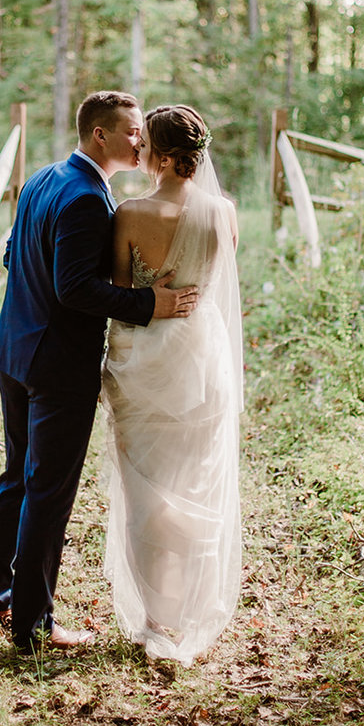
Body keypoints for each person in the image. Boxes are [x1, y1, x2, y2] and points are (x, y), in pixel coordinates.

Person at [0, 91, 200, 654]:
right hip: (57, 366)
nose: (139, 140)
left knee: (18, 476)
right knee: (48, 491)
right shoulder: (86, 201)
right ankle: (32, 626)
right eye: (131, 132)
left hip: (16, 350)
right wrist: (153, 304)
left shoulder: (46, 180)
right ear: (102, 136)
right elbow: (75, 289)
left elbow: (13, 255)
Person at [101, 104, 243, 665]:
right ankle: (183, 614)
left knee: (145, 494)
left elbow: (120, 296)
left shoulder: (130, 212)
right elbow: (216, 285)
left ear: (156, 155)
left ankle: (158, 620)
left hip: (144, 362)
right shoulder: (225, 213)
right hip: (203, 361)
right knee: (196, 483)